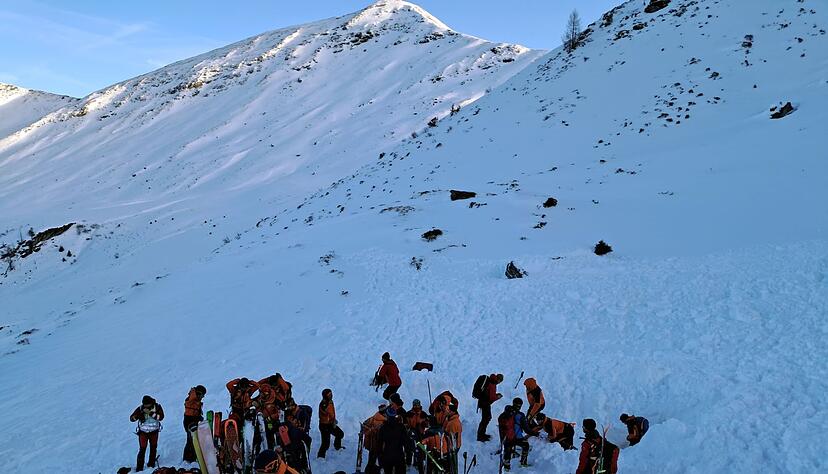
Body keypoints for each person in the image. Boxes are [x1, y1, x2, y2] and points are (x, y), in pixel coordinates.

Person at [130, 395, 165, 472]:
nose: (145, 406)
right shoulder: (140, 408)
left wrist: (151, 413)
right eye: (144, 404)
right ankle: (139, 468)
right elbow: (131, 418)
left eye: (147, 404)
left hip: (154, 432)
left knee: (153, 448)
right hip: (143, 433)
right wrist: (137, 416)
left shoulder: (157, 407)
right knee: (142, 449)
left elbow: (161, 417)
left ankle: (151, 464)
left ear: (151, 403)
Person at [378, 407, 411, 473]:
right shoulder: (401, 427)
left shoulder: (383, 428)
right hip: (399, 456)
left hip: (387, 456)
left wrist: (380, 460)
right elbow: (406, 443)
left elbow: (379, 444)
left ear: (387, 416)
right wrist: (408, 459)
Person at [475, 373, 503, 442]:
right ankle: (480, 436)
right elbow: (492, 398)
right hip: (485, 403)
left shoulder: (490, 380)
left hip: (483, 401)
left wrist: (495, 395)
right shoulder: (493, 383)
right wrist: (498, 397)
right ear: (499, 380)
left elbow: (489, 394)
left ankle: (481, 434)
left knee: (486, 418)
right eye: (500, 381)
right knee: (486, 419)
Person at [317, 388, 344, 458]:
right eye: (329, 395)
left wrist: (333, 420)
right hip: (324, 425)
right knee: (325, 443)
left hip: (330, 424)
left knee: (340, 434)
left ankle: (337, 446)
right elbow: (326, 416)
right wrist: (332, 421)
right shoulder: (324, 404)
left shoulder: (330, 402)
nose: (331, 396)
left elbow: (331, 414)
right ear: (325, 396)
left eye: (331, 394)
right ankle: (320, 456)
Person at [183, 385, 206, 462]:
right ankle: (188, 458)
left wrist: (199, 417)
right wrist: (195, 391)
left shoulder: (195, 400)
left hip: (192, 420)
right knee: (191, 440)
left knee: (193, 439)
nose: (203, 397)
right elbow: (193, 396)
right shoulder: (192, 398)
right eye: (203, 395)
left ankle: (192, 457)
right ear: (199, 393)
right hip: (189, 421)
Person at [362, 404, 388, 474]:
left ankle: (369, 471)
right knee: (379, 460)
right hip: (377, 444)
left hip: (373, 444)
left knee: (372, 460)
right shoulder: (382, 421)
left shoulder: (374, 417)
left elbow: (364, 424)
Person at [442, 403, 462, 473]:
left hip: (452, 448)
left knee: (452, 465)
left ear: (452, 412)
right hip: (452, 447)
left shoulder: (453, 423)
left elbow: (451, 438)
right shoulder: (450, 419)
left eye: (448, 410)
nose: (446, 411)